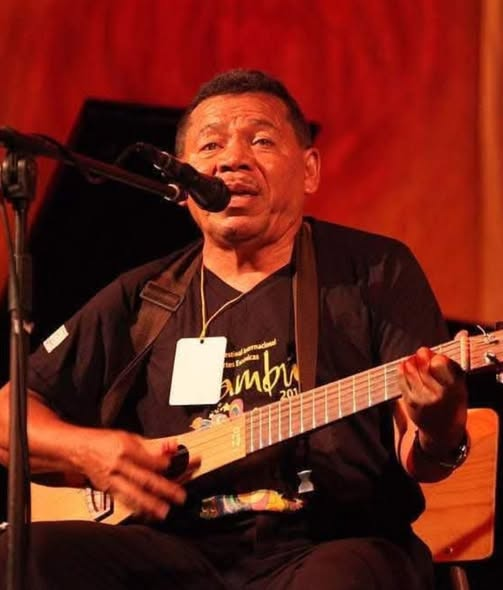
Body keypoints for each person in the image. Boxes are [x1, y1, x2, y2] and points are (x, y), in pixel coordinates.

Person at [0, 69, 468, 590]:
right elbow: (8, 414)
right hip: (174, 552)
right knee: (24, 556)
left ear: (309, 170)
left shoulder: (374, 271)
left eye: (261, 140)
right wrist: (91, 452)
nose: (232, 159)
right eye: (210, 145)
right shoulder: (146, 296)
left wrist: (440, 423)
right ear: (181, 185)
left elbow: (422, 458)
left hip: (329, 545)